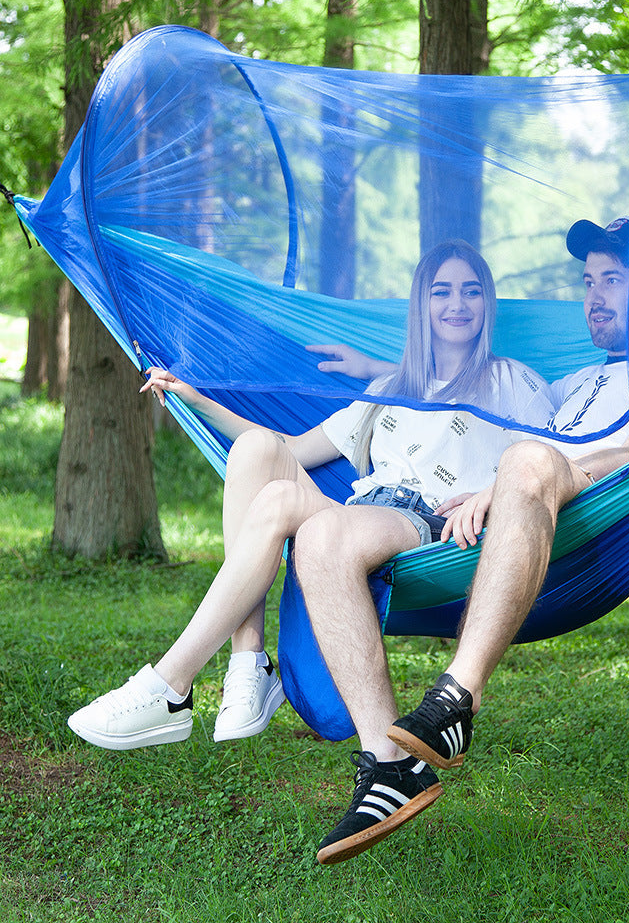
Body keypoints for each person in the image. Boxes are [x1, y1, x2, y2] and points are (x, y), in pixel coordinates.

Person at [66, 241, 554, 847]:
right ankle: (247, 663)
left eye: (471, 290)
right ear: (420, 305)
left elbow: (548, 461)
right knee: (256, 457)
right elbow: (291, 449)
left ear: (489, 303)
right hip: (361, 509)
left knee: (305, 516)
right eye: (441, 291)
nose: (457, 303)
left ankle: (168, 687)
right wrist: (193, 398)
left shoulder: (514, 382)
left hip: (426, 521)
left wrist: (488, 491)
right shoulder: (390, 387)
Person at [296, 216, 629, 865]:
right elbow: (477, 393)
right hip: (495, 525)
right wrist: (386, 370)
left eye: (614, 279)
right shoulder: (573, 385)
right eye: (587, 281)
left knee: (524, 459)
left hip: (582, 528)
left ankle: (456, 697)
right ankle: (387, 768)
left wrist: (525, 474)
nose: (594, 296)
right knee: (321, 537)